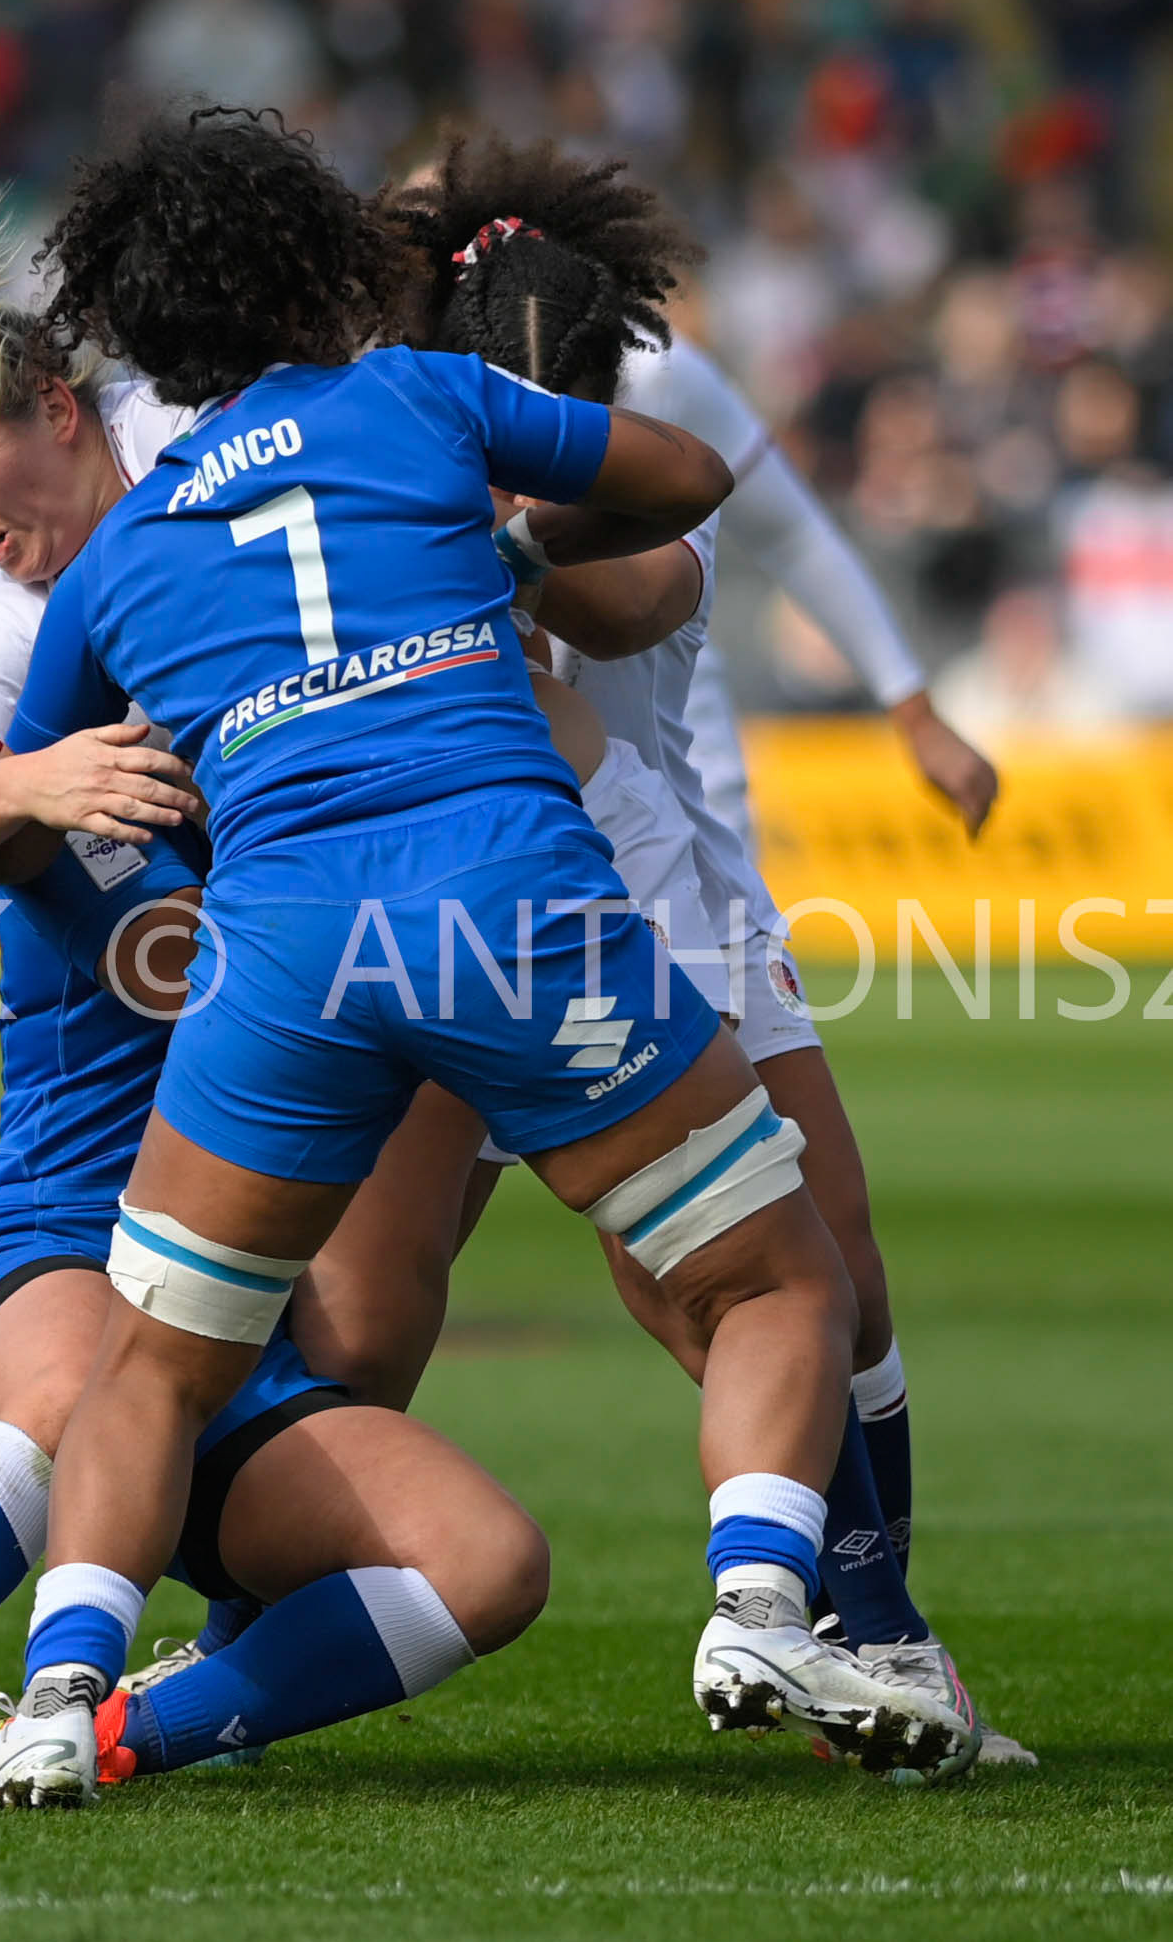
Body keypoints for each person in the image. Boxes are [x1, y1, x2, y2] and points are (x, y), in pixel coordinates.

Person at [0, 107, 978, 1810]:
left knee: (164, 1360)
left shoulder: (119, 549)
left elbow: (38, 793)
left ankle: (60, 1690)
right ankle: (761, 1606)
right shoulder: (422, 400)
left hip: (285, 949)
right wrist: (488, 537)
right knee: (774, 1278)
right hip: (511, 893)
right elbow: (687, 495)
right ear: (316, 261)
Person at [0, 207, 547, 1801]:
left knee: (487, 1561)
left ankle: (120, 1732)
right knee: (86, 1381)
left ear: (62, 407)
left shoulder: (252, 576)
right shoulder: (31, 635)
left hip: (220, 1297)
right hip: (61, 1239)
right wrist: (40, 774)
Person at [395, 135, 1030, 1772]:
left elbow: (649, 592)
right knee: (366, 1320)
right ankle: (235, 1634)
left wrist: (508, 535)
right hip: (437, 901)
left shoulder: (656, 426)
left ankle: (876, 1629)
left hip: (657, 886)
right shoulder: (381, 409)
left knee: (816, 1271)